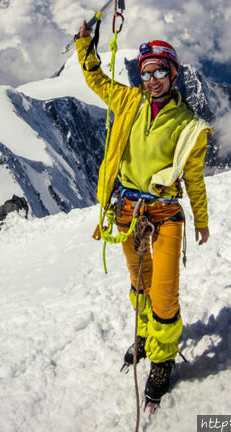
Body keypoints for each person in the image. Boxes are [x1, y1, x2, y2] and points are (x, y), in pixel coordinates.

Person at [75, 21, 212, 408]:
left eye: (159, 72)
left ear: (173, 74)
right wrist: (85, 45)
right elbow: (96, 80)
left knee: (164, 292)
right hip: (127, 211)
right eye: (146, 72)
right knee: (140, 283)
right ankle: (145, 333)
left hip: (165, 213)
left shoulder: (189, 126)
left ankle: (162, 357)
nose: (151, 79)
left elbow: (195, 179)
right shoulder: (127, 101)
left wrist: (201, 219)